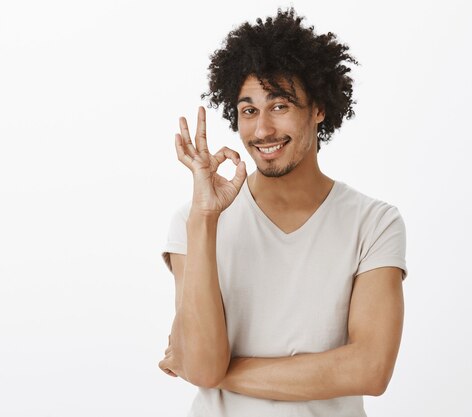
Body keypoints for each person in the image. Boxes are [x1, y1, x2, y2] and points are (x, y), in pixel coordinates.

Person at [158, 8, 407, 417]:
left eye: (280, 106)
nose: (262, 131)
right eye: (249, 110)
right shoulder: (196, 220)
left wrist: (221, 375)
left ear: (319, 109)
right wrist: (204, 217)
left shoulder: (374, 223)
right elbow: (202, 365)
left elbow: (370, 368)